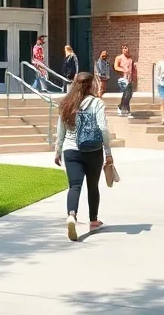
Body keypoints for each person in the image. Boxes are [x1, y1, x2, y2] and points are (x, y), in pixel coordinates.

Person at [53, 71, 114, 241]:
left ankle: (71, 215)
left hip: (71, 150)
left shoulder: (66, 103)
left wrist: (58, 151)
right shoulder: (97, 103)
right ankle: (93, 220)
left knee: (74, 186)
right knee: (93, 186)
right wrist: (108, 153)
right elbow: (103, 128)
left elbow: (61, 130)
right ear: (91, 85)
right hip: (93, 150)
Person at [114, 44, 135, 117]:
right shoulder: (119, 58)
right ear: (122, 49)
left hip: (129, 78)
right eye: (124, 48)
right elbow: (116, 67)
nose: (126, 50)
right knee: (127, 93)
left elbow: (132, 69)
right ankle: (126, 109)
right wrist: (123, 70)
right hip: (122, 78)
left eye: (127, 48)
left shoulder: (130, 58)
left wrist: (134, 77)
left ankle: (121, 106)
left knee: (129, 94)